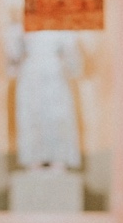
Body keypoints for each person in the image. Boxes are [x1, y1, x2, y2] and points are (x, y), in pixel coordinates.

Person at [9, 30, 84, 173]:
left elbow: (73, 60)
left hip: (54, 74)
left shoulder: (62, 28)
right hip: (31, 74)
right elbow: (13, 58)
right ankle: (34, 159)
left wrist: (72, 59)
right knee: (32, 115)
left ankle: (59, 159)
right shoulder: (24, 25)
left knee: (57, 116)